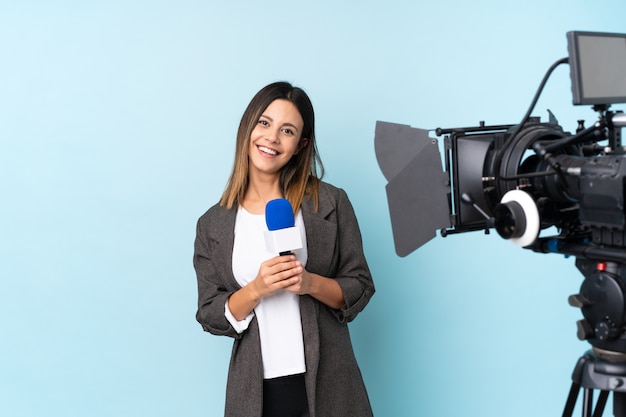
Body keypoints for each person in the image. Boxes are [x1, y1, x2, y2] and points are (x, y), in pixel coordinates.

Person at [193, 81, 375, 417]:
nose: (272, 138)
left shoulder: (330, 203)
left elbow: (360, 285)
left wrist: (309, 283)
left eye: (287, 130)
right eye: (264, 123)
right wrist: (257, 289)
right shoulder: (212, 225)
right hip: (256, 391)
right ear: (248, 127)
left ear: (300, 144)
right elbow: (209, 312)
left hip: (329, 382)